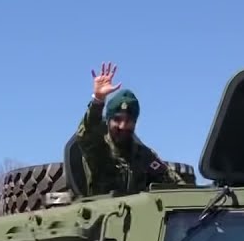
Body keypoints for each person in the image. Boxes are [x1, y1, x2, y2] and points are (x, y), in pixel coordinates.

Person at [76, 62, 185, 197]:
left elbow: (174, 183)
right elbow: (86, 133)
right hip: (103, 214)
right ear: (108, 121)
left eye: (128, 121)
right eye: (117, 120)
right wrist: (98, 100)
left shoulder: (144, 154)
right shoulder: (98, 148)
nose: (122, 126)